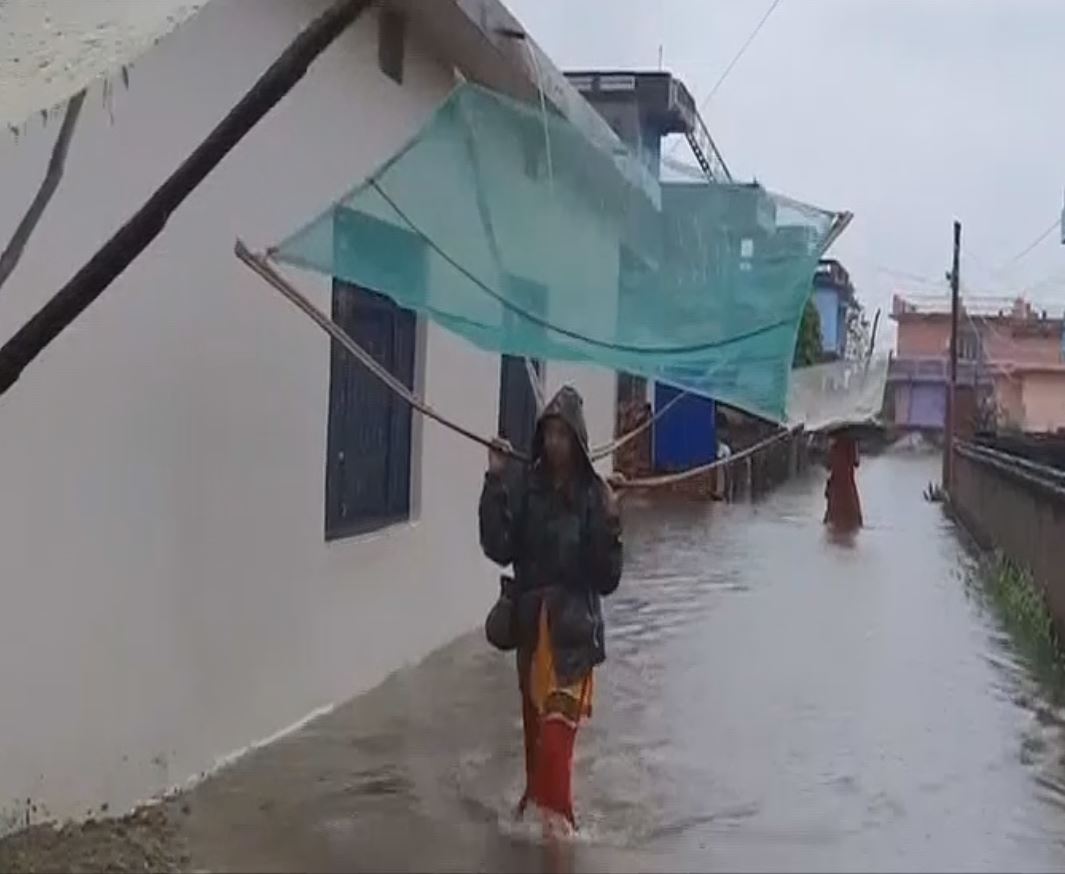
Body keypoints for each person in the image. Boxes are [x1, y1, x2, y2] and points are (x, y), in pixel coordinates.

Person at [479, 385, 623, 834]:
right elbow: (498, 547)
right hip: (531, 631)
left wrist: (612, 523)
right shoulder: (526, 487)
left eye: (564, 435)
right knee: (537, 746)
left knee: (557, 744)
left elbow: (607, 579)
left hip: (573, 637)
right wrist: (495, 481)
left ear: (577, 440)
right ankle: (541, 831)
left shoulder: (594, 496)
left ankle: (559, 842)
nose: (555, 444)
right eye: (549, 434)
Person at [824, 429, 863, 532]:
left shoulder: (834, 444)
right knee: (849, 504)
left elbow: (828, 464)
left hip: (837, 482)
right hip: (847, 483)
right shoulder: (852, 441)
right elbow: (856, 462)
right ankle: (850, 521)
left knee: (835, 506)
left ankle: (836, 520)